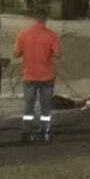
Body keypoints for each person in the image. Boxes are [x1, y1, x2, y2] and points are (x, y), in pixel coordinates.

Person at [13, 8, 61, 143]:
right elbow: (58, 54)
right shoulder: (51, 35)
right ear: (45, 19)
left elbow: (16, 54)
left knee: (29, 105)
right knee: (45, 106)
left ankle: (26, 132)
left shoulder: (23, 34)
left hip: (29, 75)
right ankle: (44, 131)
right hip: (46, 76)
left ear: (34, 19)